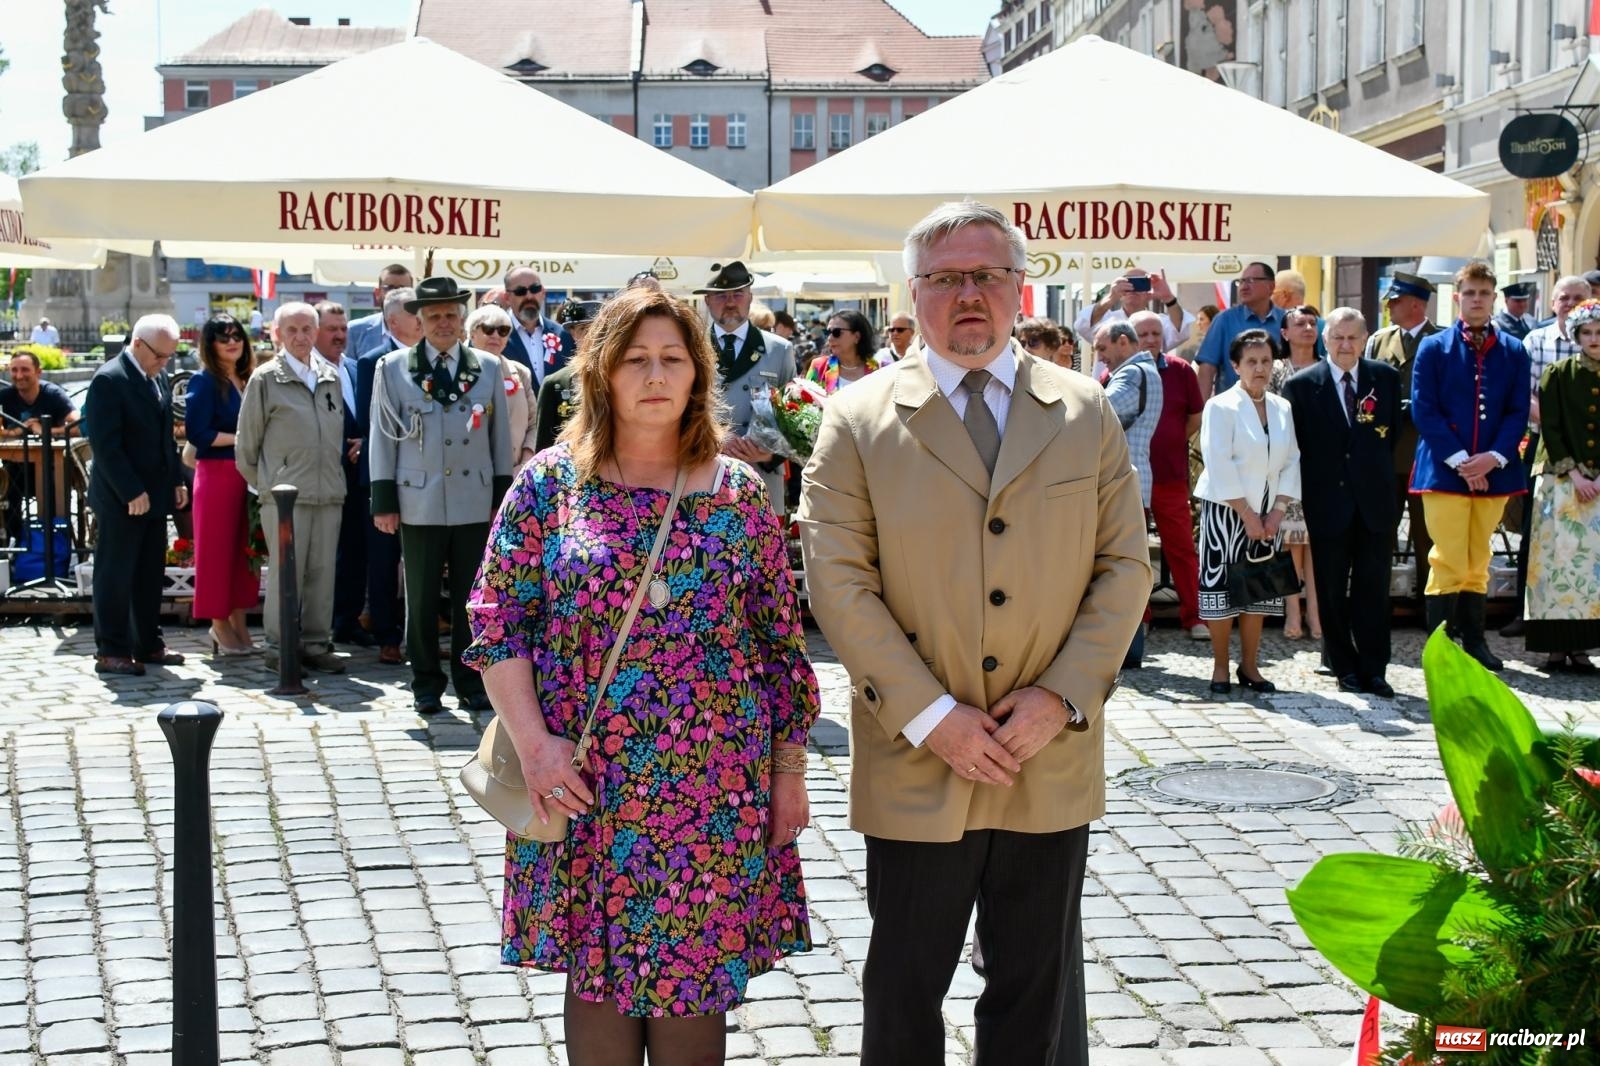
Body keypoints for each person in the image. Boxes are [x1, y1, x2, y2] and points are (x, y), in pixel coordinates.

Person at [799, 201, 1150, 1065]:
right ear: (912, 294)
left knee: (1036, 994)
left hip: (1048, 753)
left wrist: (1061, 697)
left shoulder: (1083, 410)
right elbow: (838, 583)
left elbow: (1126, 569)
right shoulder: (858, 417)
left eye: (986, 276)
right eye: (946, 279)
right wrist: (931, 716)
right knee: (905, 989)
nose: (968, 296)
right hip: (919, 754)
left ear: (1019, 287)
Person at [463, 286, 818, 1064]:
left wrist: (787, 772)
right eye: (635, 360)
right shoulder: (550, 486)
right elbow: (497, 622)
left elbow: (779, 648)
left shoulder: (739, 496)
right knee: (596, 977)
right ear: (602, 374)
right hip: (585, 777)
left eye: (672, 358)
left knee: (693, 983)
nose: (655, 375)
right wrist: (536, 748)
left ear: (697, 374)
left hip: (712, 789)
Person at [369, 277, 513, 714]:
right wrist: (384, 500)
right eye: (434, 316)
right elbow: (382, 437)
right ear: (420, 320)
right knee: (423, 597)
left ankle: (470, 681)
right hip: (419, 499)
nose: (444, 323)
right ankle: (426, 683)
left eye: (451, 314)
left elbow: (498, 438)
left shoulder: (487, 368)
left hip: (474, 496)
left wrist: (500, 499)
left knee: (474, 598)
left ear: (462, 317)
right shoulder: (393, 368)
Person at [1410, 259, 1531, 671]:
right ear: (1457, 297)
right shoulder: (1433, 347)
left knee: (1479, 559)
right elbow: (1425, 410)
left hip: (1495, 470)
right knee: (1447, 558)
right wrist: (1464, 462)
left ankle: (1475, 641)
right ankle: (1442, 649)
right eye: (1470, 293)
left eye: (1484, 293)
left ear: (1493, 298)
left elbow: (1517, 411)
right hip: (1445, 470)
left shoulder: (1514, 350)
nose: (1477, 300)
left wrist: (1492, 458)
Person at [1282, 308, 1401, 697]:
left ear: (1365, 339)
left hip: (1375, 504)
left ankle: (1375, 668)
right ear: (1324, 338)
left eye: (1353, 338)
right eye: (1337, 338)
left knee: (1374, 588)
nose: (1345, 345)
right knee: (1332, 590)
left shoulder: (1385, 378)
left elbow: (1392, 438)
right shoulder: (1301, 386)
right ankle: (1343, 667)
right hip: (1327, 503)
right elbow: (1294, 447)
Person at [235, 302, 347, 675]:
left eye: (307, 329)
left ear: (316, 333)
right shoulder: (265, 379)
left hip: (328, 491)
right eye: (292, 330)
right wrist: (268, 485)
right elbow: (246, 447)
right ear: (277, 334)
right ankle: (278, 646)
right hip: (284, 497)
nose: (300, 337)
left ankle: (316, 643)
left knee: (322, 572)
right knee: (287, 572)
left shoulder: (331, 374)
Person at [1194, 330, 1302, 695]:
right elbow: (1219, 461)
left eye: (1266, 361)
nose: (1259, 368)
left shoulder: (1282, 407)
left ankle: (1250, 666)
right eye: (1251, 361)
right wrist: (1247, 515)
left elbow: (1291, 460)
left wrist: (1278, 512)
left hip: (1270, 509)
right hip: (1227, 511)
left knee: (1258, 588)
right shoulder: (1220, 406)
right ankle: (1221, 667)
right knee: (1222, 592)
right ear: (1236, 365)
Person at [84, 315, 188, 676]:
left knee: (148, 573)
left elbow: (164, 438)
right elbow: (106, 445)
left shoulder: (155, 375)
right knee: (115, 574)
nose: (165, 363)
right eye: (160, 355)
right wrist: (131, 490)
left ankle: (147, 642)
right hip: (121, 497)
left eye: (169, 357)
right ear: (139, 345)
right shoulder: (109, 380)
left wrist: (176, 480)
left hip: (155, 494)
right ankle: (111, 649)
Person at [1502, 274, 1592, 637]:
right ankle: (1526, 614)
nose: (1569, 303)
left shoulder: (1594, 338)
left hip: (1593, 459)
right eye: (1564, 297)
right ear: (1553, 302)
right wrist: (1561, 433)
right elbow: (1525, 397)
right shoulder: (1534, 341)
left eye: (1577, 298)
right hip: (1546, 451)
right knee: (1536, 534)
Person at [1523, 298, 1600, 673]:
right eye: (1587, 333)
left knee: (1590, 571)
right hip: (1560, 479)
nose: (1594, 339)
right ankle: (1553, 647)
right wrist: (1576, 474)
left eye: (1599, 332)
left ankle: (1584, 646)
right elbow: (1549, 428)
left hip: (1599, 484)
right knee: (1557, 564)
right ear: (1576, 336)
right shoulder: (1557, 373)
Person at [354, 287, 424, 665]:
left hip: (425, 478)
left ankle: (420, 633)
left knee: (419, 563)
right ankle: (387, 634)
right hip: (384, 474)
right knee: (383, 561)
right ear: (393, 320)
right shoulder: (372, 360)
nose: (421, 319)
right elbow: (375, 425)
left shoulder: (434, 359)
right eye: (414, 313)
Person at [184, 314, 260, 656]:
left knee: (246, 554)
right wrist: (242, 438)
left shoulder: (248, 379)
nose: (232, 342)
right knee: (216, 553)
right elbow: (197, 434)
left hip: (247, 476)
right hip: (216, 476)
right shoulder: (204, 382)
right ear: (210, 345)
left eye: (237, 336)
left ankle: (240, 621)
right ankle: (218, 624)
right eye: (223, 337)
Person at [1129, 310, 1208, 640]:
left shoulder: (1180, 371)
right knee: (1133, 552)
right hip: (1131, 480)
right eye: (1143, 334)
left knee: (1181, 549)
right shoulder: (1122, 373)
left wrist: (1171, 441)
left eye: (1155, 333)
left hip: (1170, 476)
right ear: (1132, 339)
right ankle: (1139, 618)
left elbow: (1194, 417)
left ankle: (1195, 616)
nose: (1150, 340)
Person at [1365, 271, 1442, 606]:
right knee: (1381, 531)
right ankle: (1378, 602)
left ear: (1415, 304)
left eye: (1395, 301)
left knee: (1428, 536)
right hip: (1387, 450)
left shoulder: (1441, 340)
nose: (1389, 307)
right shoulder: (1379, 341)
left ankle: (1430, 606)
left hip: (1426, 454)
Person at [696, 261, 796, 513]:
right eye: (720, 295)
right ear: (707, 300)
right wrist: (715, 438)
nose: (730, 302)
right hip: (703, 475)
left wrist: (769, 454)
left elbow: (794, 418)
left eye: (737, 294)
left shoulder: (779, 350)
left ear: (750, 297)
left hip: (760, 480)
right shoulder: (690, 348)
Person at [313, 300, 372, 650]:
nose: (339, 335)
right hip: (321, 474)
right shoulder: (308, 370)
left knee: (355, 551)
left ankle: (346, 621)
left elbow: (368, 419)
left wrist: (364, 442)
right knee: (322, 555)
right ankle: (319, 626)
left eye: (342, 328)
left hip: (356, 476)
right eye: (330, 329)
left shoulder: (354, 368)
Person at [1268, 305, 1323, 640]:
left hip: (1321, 467)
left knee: (1317, 543)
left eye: (1312, 322)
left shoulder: (1327, 367)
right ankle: (1293, 609)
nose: (1307, 327)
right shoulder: (1276, 370)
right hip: (1287, 465)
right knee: (1292, 541)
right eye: (1299, 323)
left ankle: (1316, 612)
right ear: (1285, 333)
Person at [1, 349, 81, 541]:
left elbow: (77, 426)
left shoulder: (52, 394)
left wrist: (43, 430)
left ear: (38, 372)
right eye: (14, 370)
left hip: (52, 466)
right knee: (6, 491)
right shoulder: (5, 396)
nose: (19, 376)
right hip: (15, 467)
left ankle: (51, 542)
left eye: (25, 370)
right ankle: (16, 545)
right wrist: (17, 431)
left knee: (52, 489)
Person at [1196, 262, 1285, 399]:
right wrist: (1202, 413)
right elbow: (1207, 369)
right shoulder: (1224, 320)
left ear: (1270, 286)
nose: (1243, 286)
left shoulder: (1285, 321)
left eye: (1251, 280)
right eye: (1241, 281)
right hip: (1233, 410)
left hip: (1275, 408)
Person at [467, 303, 538, 467]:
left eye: (503, 331)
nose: (496, 336)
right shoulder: (458, 371)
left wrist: (526, 461)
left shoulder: (520, 372)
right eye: (488, 329)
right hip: (472, 473)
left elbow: (534, 423)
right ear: (472, 334)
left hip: (514, 471)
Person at [533, 301, 603, 453]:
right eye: (583, 329)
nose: (591, 335)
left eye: (597, 329)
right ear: (573, 334)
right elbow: (543, 447)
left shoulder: (622, 378)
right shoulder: (555, 383)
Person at [1074, 268, 1194, 350]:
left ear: (1149, 291)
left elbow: (1181, 331)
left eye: (1140, 282)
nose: (1132, 288)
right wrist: (1111, 297)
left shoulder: (1158, 322)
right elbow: (1083, 324)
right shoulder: (1106, 320)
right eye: (1127, 282)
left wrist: (1169, 298)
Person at [502, 266, 574, 385]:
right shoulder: (495, 334)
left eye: (535, 289)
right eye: (521, 291)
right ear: (507, 298)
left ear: (543, 292)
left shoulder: (563, 334)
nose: (529, 296)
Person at [347, 263, 414, 359]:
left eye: (403, 289)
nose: (396, 294)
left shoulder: (424, 331)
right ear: (377, 293)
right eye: (390, 288)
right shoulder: (355, 331)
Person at [805, 310, 880, 394]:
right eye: (827, 332)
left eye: (836, 332)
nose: (830, 338)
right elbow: (804, 401)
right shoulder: (818, 366)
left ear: (857, 337)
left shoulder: (879, 369)